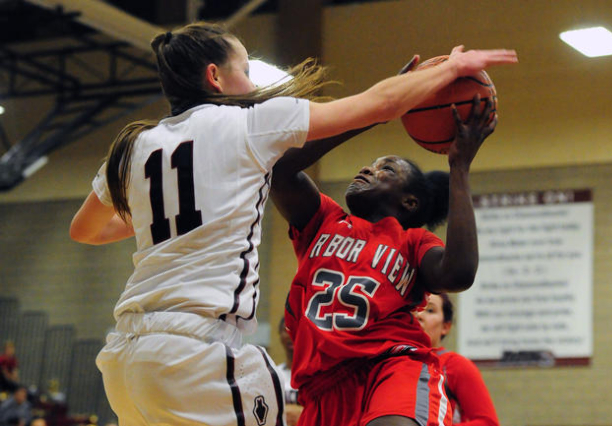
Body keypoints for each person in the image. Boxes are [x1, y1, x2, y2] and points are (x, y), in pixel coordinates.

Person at [69, 19, 516, 426]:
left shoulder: (134, 145)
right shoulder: (247, 124)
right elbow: (376, 105)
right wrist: (451, 67)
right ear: (215, 77)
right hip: (200, 352)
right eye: (245, 67)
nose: (251, 80)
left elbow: (85, 230)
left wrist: (167, 215)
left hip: (126, 357)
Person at [269, 52, 516, 424]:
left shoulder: (412, 241)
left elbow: (459, 274)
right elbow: (281, 170)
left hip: (391, 367)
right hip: (321, 391)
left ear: (409, 200)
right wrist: (374, 111)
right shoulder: (321, 220)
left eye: (386, 168)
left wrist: (459, 167)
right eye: (369, 164)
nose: (368, 168)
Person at [414, 293, 499, 426]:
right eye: (414, 308)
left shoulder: (456, 365)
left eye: (430, 310)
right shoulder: (389, 361)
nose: (419, 315)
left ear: (445, 327)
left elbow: (488, 422)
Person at [274, 318, 302, 425]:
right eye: (286, 330)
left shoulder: (317, 375)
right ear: (280, 335)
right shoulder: (274, 374)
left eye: (297, 329)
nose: (291, 334)